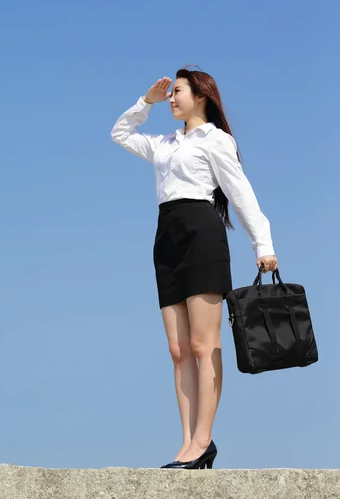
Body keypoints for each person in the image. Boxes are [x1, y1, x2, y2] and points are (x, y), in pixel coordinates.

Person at [110, 67, 278, 470]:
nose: (171, 98)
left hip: (202, 238)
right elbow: (121, 134)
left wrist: (263, 244)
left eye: (177, 92)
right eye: (169, 94)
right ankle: (186, 443)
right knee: (178, 351)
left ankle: (204, 440)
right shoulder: (165, 143)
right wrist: (144, 103)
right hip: (166, 240)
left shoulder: (215, 140)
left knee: (205, 346)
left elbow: (240, 192)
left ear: (200, 95)